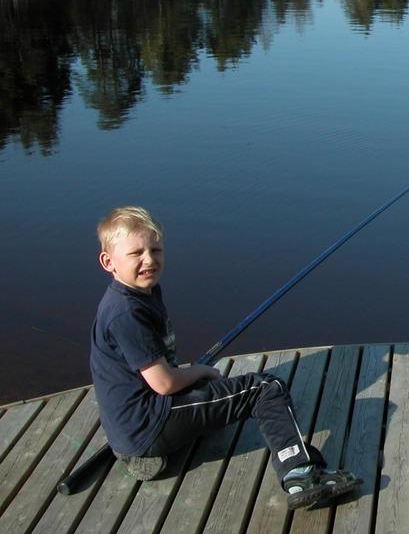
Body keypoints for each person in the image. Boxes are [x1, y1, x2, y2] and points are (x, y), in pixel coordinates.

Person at [90, 206, 360, 509]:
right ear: (108, 262)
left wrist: (191, 376)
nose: (149, 260)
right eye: (136, 253)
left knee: (223, 396)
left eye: (156, 249)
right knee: (265, 390)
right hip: (150, 423)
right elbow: (164, 383)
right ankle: (300, 474)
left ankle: (154, 451)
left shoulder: (137, 296)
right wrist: (200, 372)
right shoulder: (125, 312)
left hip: (133, 425)